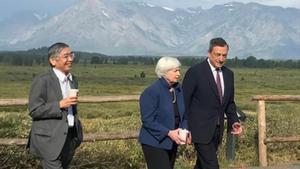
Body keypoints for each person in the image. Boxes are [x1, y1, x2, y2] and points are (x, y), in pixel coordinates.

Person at [182, 37, 243, 169]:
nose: (221, 59)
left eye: (224, 55)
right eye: (218, 55)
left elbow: (230, 103)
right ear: (209, 53)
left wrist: (234, 121)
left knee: (202, 164)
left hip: (217, 130)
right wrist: (184, 127)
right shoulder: (195, 72)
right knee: (212, 165)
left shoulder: (229, 74)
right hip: (199, 129)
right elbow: (184, 101)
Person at [27, 42, 83, 169]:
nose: (70, 59)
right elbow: (34, 110)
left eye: (71, 55)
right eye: (66, 56)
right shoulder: (42, 80)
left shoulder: (73, 79)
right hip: (49, 140)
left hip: (69, 138)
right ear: (53, 61)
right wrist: (59, 105)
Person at [139, 56, 190, 169]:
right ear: (164, 72)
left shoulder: (179, 90)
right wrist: (168, 132)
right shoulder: (151, 92)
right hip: (154, 142)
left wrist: (184, 131)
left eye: (179, 70)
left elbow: (184, 115)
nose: (178, 74)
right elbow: (148, 120)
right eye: (175, 71)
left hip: (172, 142)